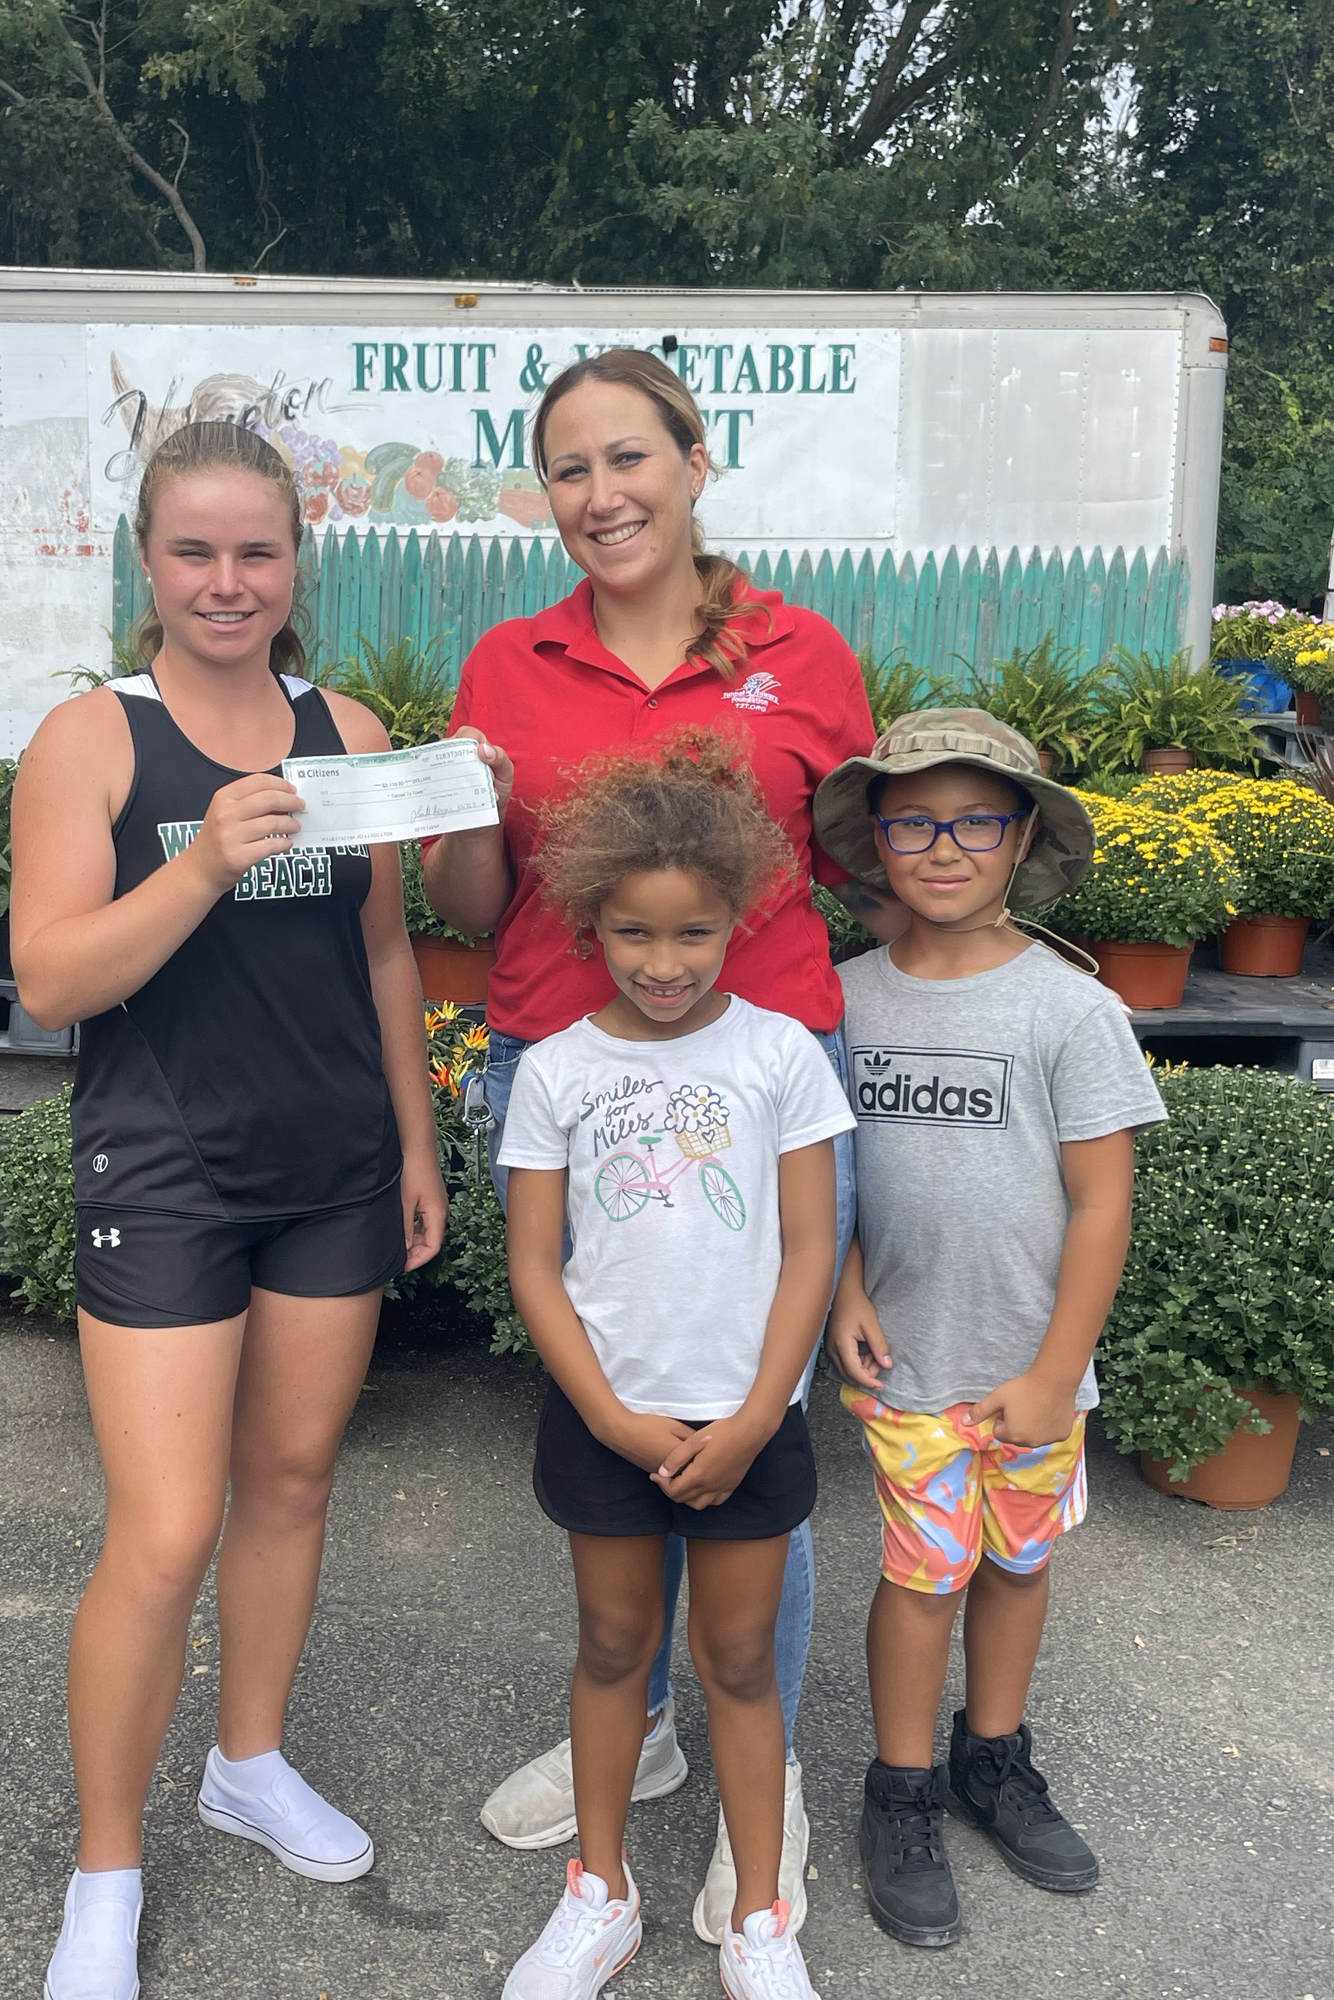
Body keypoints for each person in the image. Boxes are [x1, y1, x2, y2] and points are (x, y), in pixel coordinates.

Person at [423, 345, 887, 1936]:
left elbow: (858, 875)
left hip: (769, 1076)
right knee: (620, 1369)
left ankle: (769, 1760)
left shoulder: (802, 655)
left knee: (759, 1403)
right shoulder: (509, 662)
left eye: (632, 457)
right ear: (543, 495)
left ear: (695, 463)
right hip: (562, 1065)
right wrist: (461, 820)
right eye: (570, 470)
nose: (603, 494)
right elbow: (469, 909)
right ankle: (650, 1724)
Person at [10, 421, 447, 2000]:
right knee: (166, 1528)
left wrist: (416, 1142)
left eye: (256, 552)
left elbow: (386, 951)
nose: (227, 581)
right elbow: (52, 975)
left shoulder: (348, 727)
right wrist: (198, 865)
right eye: (195, 552)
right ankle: (105, 1872)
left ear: (295, 562)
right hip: (169, 1169)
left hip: (333, 1162)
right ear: (147, 561)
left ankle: (246, 1762)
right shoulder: (93, 738)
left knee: (289, 1482)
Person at [497, 733, 853, 2000]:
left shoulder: (779, 1056)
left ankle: (761, 1914)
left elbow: (813, 1245)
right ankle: (600, 1894)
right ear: (592, 920)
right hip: (610, 1418)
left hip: (749, 1417)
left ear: (736, 920)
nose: (664, 962)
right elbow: (536, 1264)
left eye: (694, 934)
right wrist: (613, 1416)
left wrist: (761, 1413)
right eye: (636, 934)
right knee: (609, 1642)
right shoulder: (555, 1071)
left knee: (743, 1660)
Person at [815, 710, 1167, 1949]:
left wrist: (1059, 1367)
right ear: (876, 838)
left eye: (975, 819)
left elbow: (1102, 1195)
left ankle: (994, 1757)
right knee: (921, 1577)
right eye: (912, 821)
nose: (943, 845)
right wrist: (844, 1287)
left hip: (1035, 1370)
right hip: (909, 1360)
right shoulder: (841, 999)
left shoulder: (1071, 1008)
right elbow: (828, 1175)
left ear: (1021, 838)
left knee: (1018, 1563)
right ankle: (900, 1789)